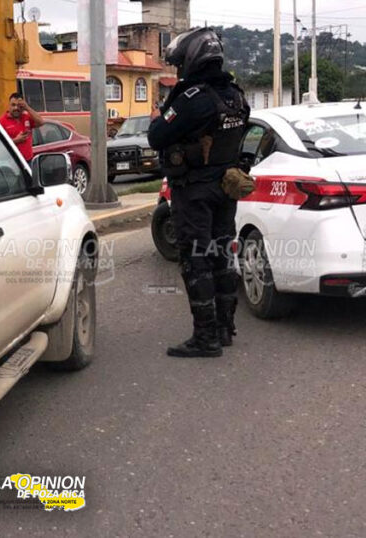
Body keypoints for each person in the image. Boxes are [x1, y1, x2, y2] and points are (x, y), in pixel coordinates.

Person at [147, 27, 250, 358]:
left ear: (192, 60)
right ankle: (225, 329)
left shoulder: (193, 99)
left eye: (180, 65)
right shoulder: (236, 95)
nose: (179, 72)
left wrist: (161, 115)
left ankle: (206, 338)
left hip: (195, 191)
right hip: (226, 189)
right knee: (223, 257)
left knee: (197, 260)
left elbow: (157, 136)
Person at [0, 92, 44, 163]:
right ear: (9, 106)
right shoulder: (2, 121)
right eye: (13, 105)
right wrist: (15, 140)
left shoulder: (26, 117)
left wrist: (27, 108)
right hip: (13, 163)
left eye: (19, 105)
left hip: (28, 161)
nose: (16, 108)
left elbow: (41, 122)